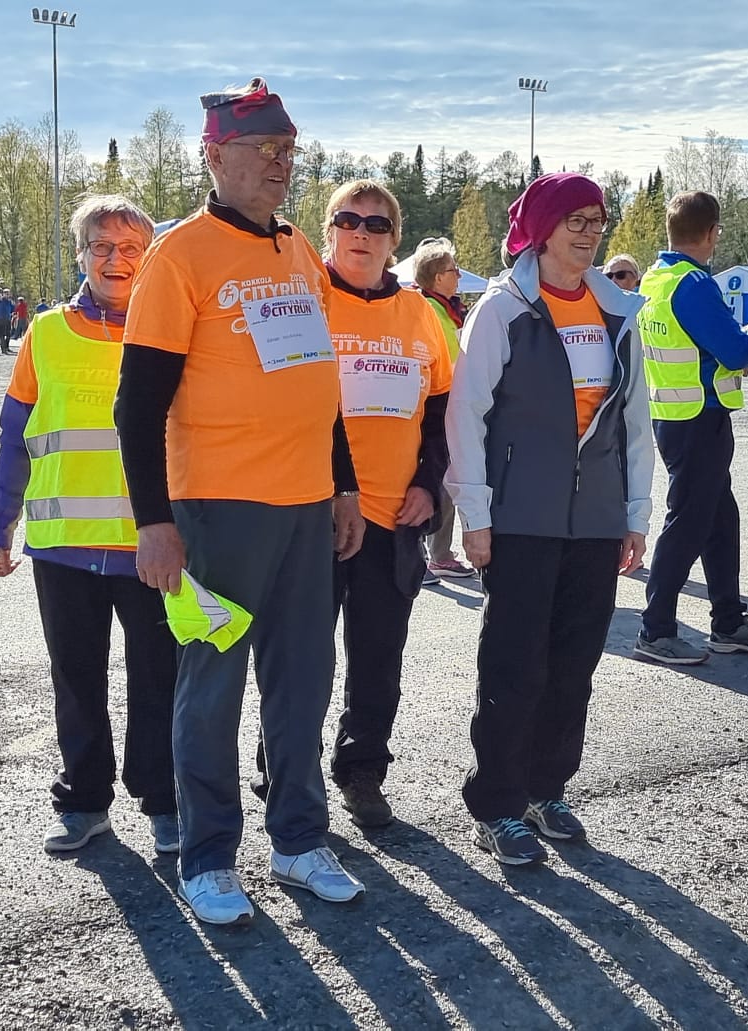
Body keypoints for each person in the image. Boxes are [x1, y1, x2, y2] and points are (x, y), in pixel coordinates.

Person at [115, 76, 366, 925]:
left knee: (301, 682)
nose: (278, 165)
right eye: (262, 151)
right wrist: (154, 521)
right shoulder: (178, 256)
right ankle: (209, 855)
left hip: (302, 509)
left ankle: (299, 840)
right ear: (213, 156)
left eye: (288, 152)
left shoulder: (298, 250)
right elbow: (137, 403)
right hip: (216, 510)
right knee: (213, 687)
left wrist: (342, 485)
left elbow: (318, 385)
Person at [446, 172, 652, 864]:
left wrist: (634, 513)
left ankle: (546, 787)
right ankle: (497, 804)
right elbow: (466, 415)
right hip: (520, 517)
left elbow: (634, 423)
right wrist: (474, 513)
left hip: (593, 520)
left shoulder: (618, 312)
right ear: (541, 228)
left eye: (598, 219)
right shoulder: (502, 310)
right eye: (576, 220)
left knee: (573, 665)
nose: (591, 232)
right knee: (513, 666)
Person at [0, 194, 178, 856]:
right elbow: (16, 434)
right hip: (64, 548)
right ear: (80, 254)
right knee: (77, 677)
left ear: (150, 258)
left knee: (160, 678)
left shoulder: (173, 332)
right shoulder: (45, 332)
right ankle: (85, 801)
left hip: (148, 545)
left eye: (131, 248)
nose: (116, 259)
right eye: (101, 245)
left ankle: (162, 800)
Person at [310, 181, 452, 827]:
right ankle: (284, 769)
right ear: (330, 230)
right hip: (312, 511)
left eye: (376, 223)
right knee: (303, 657)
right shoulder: (306, 298)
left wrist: (428, 481)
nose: (361, 233)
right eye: (348, 220)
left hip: (395, 515)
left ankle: (362, 771)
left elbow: (442, 409)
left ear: (396, 238)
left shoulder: (421, 314)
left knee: (377, 658)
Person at [632, 191, 748, 665]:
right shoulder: (694, 284)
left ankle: (728, 621)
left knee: (720, 519)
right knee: (690, 522)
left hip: (673, 414)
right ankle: (657, 630)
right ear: (713, 232)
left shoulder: (655, 279)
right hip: (700, 417)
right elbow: (735, 352)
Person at [410, 235, 476, 581]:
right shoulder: (430, 311)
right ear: (437, 277)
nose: (459, 276)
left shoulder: (448, 310)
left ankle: (438, 553)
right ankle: (430, 554)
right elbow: (446, 363)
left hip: (451, 406)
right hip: (437, 408)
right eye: (454, 270)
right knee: (437, 481)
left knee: (446, 482)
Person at [0, 288, 16, 355]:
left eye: (8, 293)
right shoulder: (3, 302)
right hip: (3, 319)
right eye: (6, 293)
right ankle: (3, 348)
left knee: (6, 334)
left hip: (4, 319)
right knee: (2, 335)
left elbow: (12, 309)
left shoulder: (8, 301)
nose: (7, 295)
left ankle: (2, 347)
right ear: (3, 294)